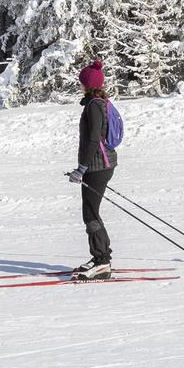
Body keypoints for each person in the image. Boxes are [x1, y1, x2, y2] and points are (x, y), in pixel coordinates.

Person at [66, 59, 115, 279]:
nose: (79, 85)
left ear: (88, 84)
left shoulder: (95, 105)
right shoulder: (98, 102)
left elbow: (94, 139)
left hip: (97, 166)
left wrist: (82, 168)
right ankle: (100, 258)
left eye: (81, 82)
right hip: (99, 165)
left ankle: (102, 261)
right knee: (90, 211)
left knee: (91, 213)